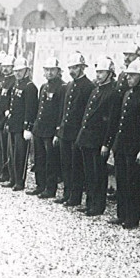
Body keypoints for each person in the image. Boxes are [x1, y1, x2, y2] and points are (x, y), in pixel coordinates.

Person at [108, 58, 140, 229]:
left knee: (133, 184)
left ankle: (132, 218)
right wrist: (115, 145)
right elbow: (120, 122)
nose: (128, 78)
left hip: (135, 147)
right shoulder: (128, 94)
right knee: (121, 181)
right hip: (122, 146)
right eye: (127, 75)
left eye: (132, 75)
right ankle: (121, 214)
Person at [75, 56, 120, 216]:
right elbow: (87, 116)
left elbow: (111, 122)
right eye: (98, 72)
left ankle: (98, 205)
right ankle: (89, 202)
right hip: (87, 138)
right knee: (88, 173)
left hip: (99, 140)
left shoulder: (113, 93)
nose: (99, 75)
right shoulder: (95, 90)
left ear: (110, 74)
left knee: (99, 174)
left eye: (102, 72)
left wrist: (106, 144)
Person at [53, 52, 95, 207]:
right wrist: (59, 130)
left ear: (82, 67)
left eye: (75, 67)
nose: (72, 71)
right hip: (65, 132)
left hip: (77, 134)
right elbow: (63, 110)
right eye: (70, 67)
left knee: (76, 167)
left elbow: (86, 113)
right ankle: (67, 193)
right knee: (66, 165)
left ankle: (75, 197)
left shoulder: (88, 86)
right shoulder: (69, 86)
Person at [27, 57, 66, 198]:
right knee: (39, 159)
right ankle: (40, 185)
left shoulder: (62, 87)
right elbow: (39, 108)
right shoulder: (43, 87)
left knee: (51, 161)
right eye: (47, 70)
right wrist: (34, 126)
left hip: (50, 130)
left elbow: (61, 112)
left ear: (58, 71)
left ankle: (50, 189)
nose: (49, 73)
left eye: (52, 70)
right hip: (39, 128)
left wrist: (57, 131)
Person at [3, 57, 38, 190]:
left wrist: (28, 127)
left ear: (27, 71)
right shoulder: (16, 85)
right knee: (11, 154)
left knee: (20, 155)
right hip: (13, 124)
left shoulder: (30, 87)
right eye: (16, 71)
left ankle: (19, 181)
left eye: (20, 71)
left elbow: (30, 109)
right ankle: (12, 178)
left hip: (22, 127)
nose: (17, 73)